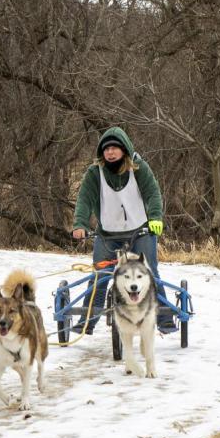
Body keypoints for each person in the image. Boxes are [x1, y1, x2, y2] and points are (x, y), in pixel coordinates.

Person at [71, 126, 176, 334]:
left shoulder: (138, 167)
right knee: (99, 277)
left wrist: (155, 218)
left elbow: (153, 194)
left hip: (140, 232)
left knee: (150, 272)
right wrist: (79, 224)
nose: (110, 153)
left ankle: (164, 318)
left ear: (124, 150)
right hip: (107, 235)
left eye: (114, 148)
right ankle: (87, 321)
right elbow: (84, 199)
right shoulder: (95, 173)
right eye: (106, 149)